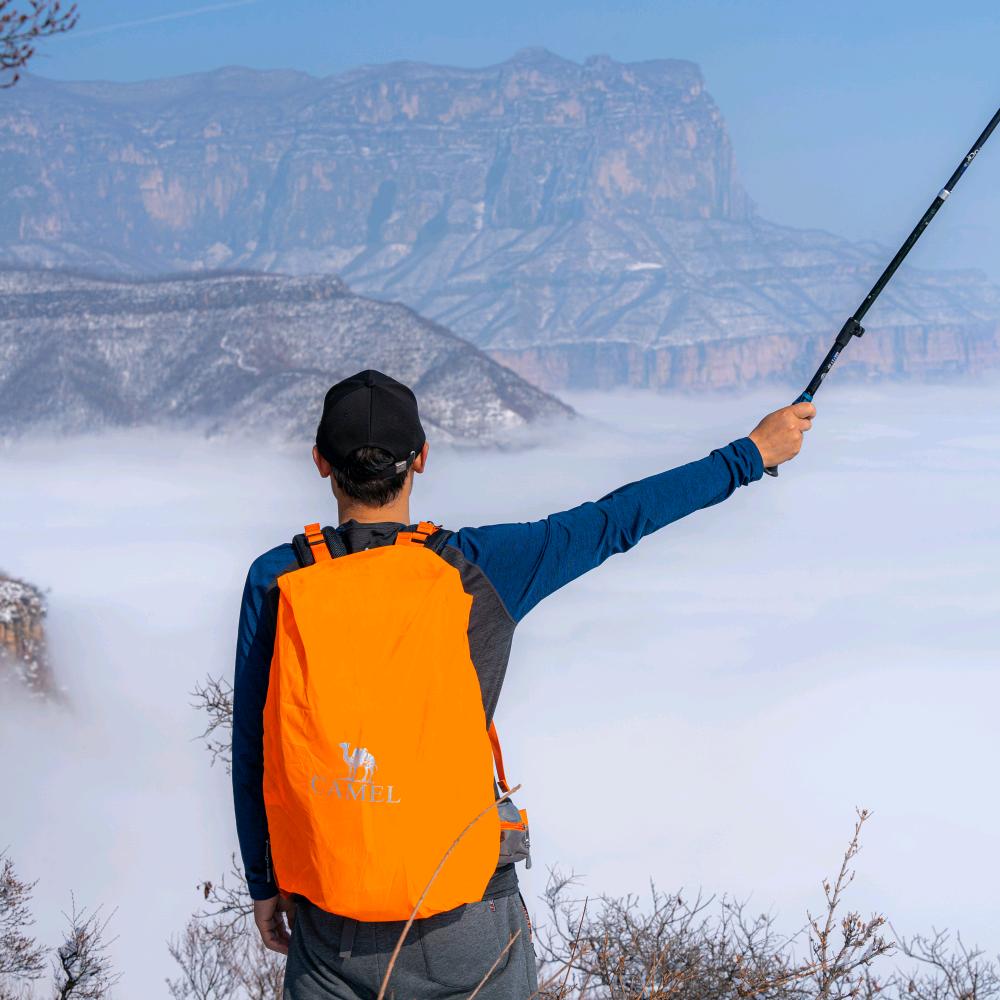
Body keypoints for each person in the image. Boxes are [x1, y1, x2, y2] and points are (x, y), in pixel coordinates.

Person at [232, 369, 815, 1000]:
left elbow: (251, 751)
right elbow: (618, 519)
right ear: (421, 458)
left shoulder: (276, 579)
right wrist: (751, 454)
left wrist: (263, 884)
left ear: (320, 461)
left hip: (329, 921)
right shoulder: (478, 568)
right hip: (467, 917)